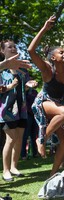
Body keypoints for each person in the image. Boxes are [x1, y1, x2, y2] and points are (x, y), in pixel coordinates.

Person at [27, 15, 64, 175]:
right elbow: (31, 50)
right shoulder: (47, 69)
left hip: (58, 107)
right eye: (61, 52)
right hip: (43, 104)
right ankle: (42, 139)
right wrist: (45, 28)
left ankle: (53, 173)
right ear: (53, 57)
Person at [0, 40, 30, 181]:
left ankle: (14, 167)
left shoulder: (21, 68)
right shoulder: (1, 69)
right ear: (2, 51)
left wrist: (30, 84)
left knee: (19, 140)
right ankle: (5, 171)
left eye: (14, 46)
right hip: (7, 110)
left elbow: (25, 85)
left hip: (22, 108)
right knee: (10, 139)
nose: (13, 48)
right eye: (9, 47)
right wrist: (10, 87)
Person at [21, 78, 39, 159]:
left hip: (35, 115)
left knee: (34, 135)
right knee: (25, 135)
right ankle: (23, 154)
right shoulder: (25, 91)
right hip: (27, 115)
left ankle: (35, 153)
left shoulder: (35, 92)